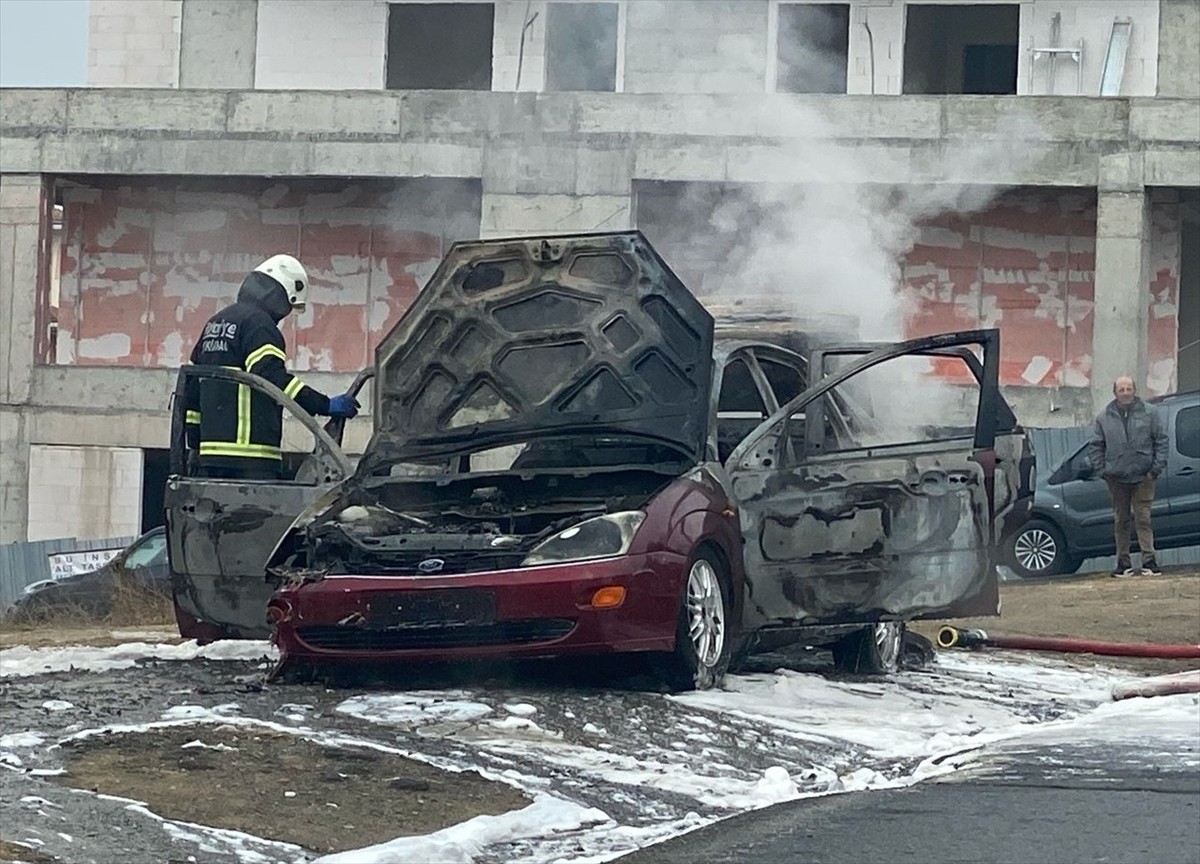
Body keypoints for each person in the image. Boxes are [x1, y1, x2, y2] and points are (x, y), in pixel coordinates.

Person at [185, 254, 360, 480]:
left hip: (209, 460)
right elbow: (272, 378)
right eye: (288, 306)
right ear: (279, 294)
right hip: (251, 460)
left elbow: (191, 392)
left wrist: (195, 446)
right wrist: (324, 404)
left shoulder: (214, 324)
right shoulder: (259, 325)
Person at [1087, 375, 1168, 577]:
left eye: (1128, 389)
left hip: (1144, 476)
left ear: (1135, 390)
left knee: (1143, 518)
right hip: (1116, 478)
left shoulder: (1150, 413)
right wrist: (1103, 471)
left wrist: (1155, 469)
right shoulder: (1103, 417)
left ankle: (1149, 560)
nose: (1125, 393)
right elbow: (1096, 446)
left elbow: (1161, 441)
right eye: (1121, 389)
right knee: (1120, 521)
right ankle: (1123, 563)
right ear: (1115, 393)